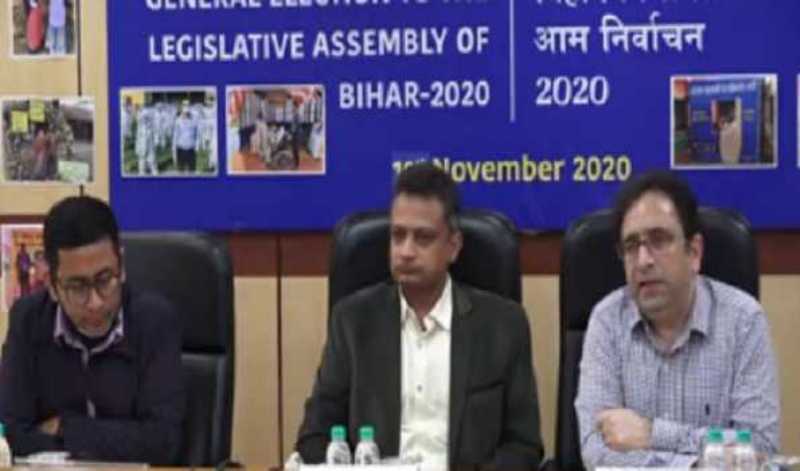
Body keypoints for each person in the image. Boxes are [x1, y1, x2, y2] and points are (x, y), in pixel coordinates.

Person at [295, 163, 544, 469]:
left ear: (453, 246)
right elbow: (314, 437)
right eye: (398, 236)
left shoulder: (503, 326)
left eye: (423, 238)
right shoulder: (352, 322)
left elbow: (523, 446)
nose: (406, 251)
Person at [575, 171, 780, 468]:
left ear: (694, 252)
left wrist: (651, 434)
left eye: (659, 241)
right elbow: (595, 452)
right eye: (631, 246)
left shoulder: (744, 321)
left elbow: (760, 449)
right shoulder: (606, 322)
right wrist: (700, 461)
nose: (643, 261)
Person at [0, 196, 185, 464]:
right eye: (77, 287)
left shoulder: (155, 321)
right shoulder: (28, 320)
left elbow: (164, 442)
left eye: (105, 280)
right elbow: (12, 436)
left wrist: (66, 427)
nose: (95, 302)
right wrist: (123, 437)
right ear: (52, 285)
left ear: (122, 267)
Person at [172, 101, 200, 173]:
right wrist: (174, 149)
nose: (185, 115)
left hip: (191, 148)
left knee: (192, 169)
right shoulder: (178, 121)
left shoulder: (194, 120)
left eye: (187, 113)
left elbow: (197, 134)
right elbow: (175, 136)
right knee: (181, 170)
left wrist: (197, 146)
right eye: (184, 113)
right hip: (181, 148)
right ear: (181, 111)